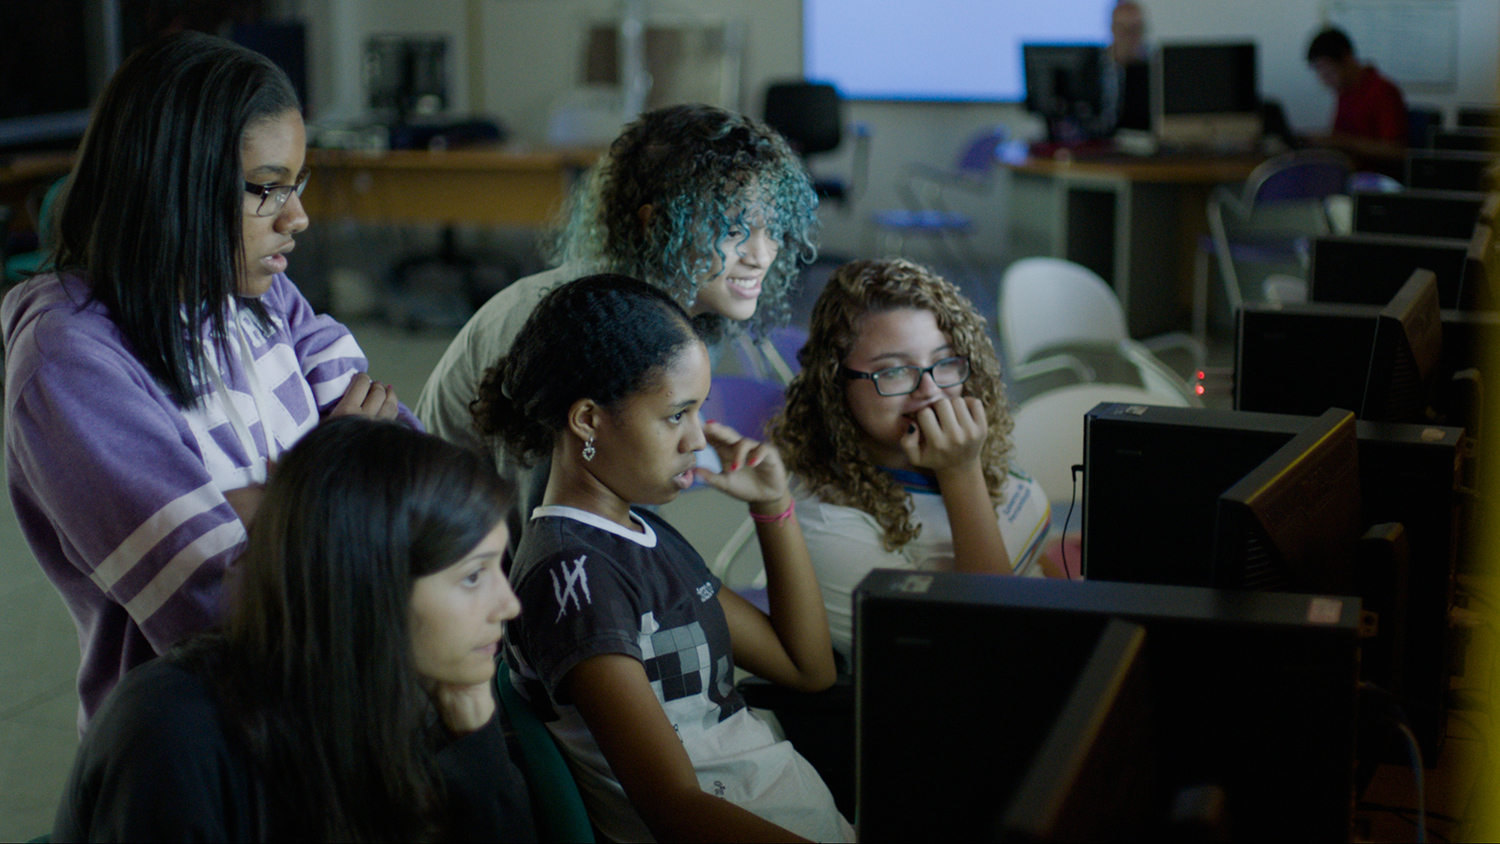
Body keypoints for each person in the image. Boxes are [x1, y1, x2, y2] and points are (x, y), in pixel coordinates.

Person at [2, 31, 417, 730]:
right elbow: (217, 608)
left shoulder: (258, 291)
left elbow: (414, 471)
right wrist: (329, 468)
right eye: (267, 189)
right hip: (203, 738)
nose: (298, 217)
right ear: (173, 185)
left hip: (338, 697)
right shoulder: (69, 361)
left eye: (297, 184)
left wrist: (266, 506)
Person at [475, 274, 853, 842]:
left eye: (700, 411)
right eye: (677, 415)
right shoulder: (571, 577)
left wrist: (774, 506)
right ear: (588, 420)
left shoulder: (641, 532)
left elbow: (808, 669)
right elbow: (675, 809)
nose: (697, 440)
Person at [52, 417, 538, 842]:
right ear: (369, 587)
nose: (509, 605)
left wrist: (476, 742)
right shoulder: (173, 737)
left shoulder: (417, 697)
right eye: (473, 576)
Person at [415, 103, 819, 550]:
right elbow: (549, 544)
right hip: (460, 559)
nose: (761, 256)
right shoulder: (578, 334)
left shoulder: (671, 314)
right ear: (658, 224)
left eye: (773, 228)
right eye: (734, 230)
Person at [768, 258, 1061, 659]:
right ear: (835, 383)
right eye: (893, 372)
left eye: (945, 361)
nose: (931, 391)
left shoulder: (967, 446)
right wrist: (961, 473)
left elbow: (1030, 559)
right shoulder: (826, 526)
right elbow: (987, 646)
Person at [1305, 26, 1409, 177]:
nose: (1325, 82)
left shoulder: (1383, 91)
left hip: (1374, 179)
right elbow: (1338, 139)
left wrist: (1342, 142)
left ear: (1346, 58)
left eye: (1329, 73)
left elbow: (1397, 151)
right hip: (1347, 172)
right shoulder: (1344, 92)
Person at [1101, 0, 1151, 134]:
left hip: (1143, 138)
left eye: (1135, 29)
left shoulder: (1155, 67)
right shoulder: (1097, 66)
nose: (1129, 36)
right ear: (1113, 29)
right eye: (1123, 29)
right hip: (1103, 139)